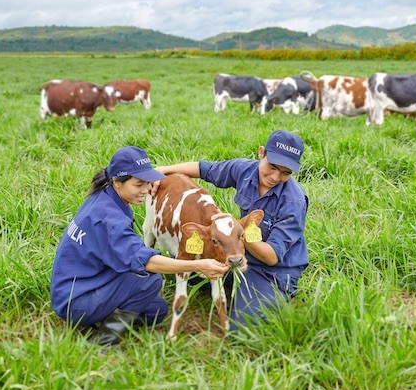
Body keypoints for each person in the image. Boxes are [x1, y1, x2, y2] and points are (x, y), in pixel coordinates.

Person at [50, 146, 229, 345]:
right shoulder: (109, 219)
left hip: (85, 283)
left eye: (147, 182)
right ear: (117, 182)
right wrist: (197, 265)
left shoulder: (105, 198)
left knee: (157, 310)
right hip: (76, 300)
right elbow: (145, 261)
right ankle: (105, 340)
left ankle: (98, 321)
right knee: (149, 281)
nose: (146, 190)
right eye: (138, 184)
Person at [152, 130, 309, 330]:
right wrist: (162, 170)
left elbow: (272, 257)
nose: (276, 177)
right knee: (191, 271)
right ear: (262, 153)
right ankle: (233, 282)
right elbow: (205, 169)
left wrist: (234, 230)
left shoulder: (293, 202)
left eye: (286, 172)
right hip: (236, 251)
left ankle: (277, 292)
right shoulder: (246, 170)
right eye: (272, 167)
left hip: (274, 269)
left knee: (243, 327)